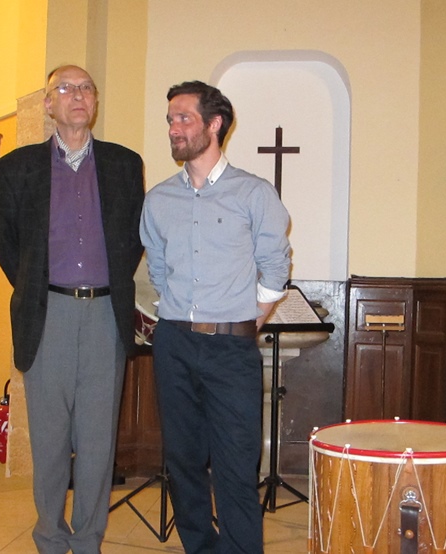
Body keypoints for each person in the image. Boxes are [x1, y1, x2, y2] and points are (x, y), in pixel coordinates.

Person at [0, 64, 144, 553]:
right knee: (50, 438)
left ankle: (89, 539)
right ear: (48, 104)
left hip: (105, 316)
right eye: (66, 89)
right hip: (48, 313)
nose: (77, 96)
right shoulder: (17, 167)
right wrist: (43, 290)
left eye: (86, 89)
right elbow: (9, 247)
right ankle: (50, 537)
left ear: (94, 102)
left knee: (99, 440)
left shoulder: (124, 163)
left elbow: (132, 241)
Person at [139, 80, 291, 554]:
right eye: (169, 120)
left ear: (215, 123)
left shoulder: (253, 192)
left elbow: (276, 265)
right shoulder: (159, 199)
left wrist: (249, 318)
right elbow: (159, 271)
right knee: (182, 462)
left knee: (236, 465)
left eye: (184, 118)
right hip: (174, 345)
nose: (173, 128)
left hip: (231, 349)